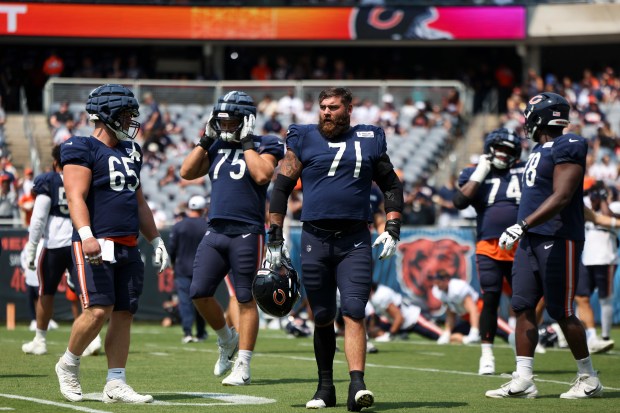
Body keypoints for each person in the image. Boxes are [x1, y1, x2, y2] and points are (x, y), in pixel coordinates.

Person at [265, 87, 404, 411]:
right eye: (323, 107)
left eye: (333, 107)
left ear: (349, 108)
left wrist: (393, 226)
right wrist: (274, 233)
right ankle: (325, 387)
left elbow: (391, 185)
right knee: (323, 315)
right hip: (315, 239)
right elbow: (281, 186)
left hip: (355, 238)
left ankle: (357, 384)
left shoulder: (370, 137)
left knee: (354, 310)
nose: (327, 112)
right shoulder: (303, 137)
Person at [56, 84, 170, 403]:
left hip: (128, 243)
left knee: (124, 312)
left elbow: (139, 201)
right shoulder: (81, 147)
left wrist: (156, 238)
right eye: (124, 114)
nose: (131, 120)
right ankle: (68, 364)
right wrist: (86, 234)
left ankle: (115, 381)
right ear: (106, 115)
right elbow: (76, 195)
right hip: (96, 241)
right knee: (98, 310)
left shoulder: (131, 150)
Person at [486, 92, 603, 399]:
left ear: (540, 117)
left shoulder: (569, 144)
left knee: (561, 310)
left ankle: (588, 377)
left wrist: (522, 224)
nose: (526, 120)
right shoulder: (539, 149)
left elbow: (563, 195)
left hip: (558, 236)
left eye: (529, 115)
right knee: (522, 306)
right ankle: (523, 379)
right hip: (531, 240)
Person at [179, 90, 284, 386]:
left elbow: (262, 175)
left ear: (247, 122)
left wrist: (248, 142)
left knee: (245, 298)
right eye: (221, 122)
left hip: (247, 231)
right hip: (215, 230)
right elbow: (186, 172)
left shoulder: (268, 142)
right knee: (198, 292)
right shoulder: (214, 146)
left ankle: (244, 364)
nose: (225, 127)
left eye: (231, 122)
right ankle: (227, 339)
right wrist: (204, 140)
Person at [453, 128, 524, 375]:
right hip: (489, 245)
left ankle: (523, 354)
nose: (503, 154)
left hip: (521, 244)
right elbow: (460, 202)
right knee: (491, 299)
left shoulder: (523, 170)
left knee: (524, 300)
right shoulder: (474, 173)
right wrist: (481, 172)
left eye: (508, 149)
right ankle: (487, 354)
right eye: (499, 148)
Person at [21, 145, 81, 356]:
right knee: (86, 294)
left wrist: (32, 248)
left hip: (54, 245)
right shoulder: (83, 177)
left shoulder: (49, 180)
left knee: (46, 293)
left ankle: (40, 339)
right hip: (78, 243)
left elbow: (38, 218)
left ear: (56, 162)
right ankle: (92, 339)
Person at [575, 182, 615, 353]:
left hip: (605, 259)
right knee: (581, 298)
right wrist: (592, 195)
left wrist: (604, 198)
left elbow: (608, 215)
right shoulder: (587, 210)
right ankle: (578, 334)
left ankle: (605, 335)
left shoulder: (612, 207)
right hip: (586, 259)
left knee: (605, 298)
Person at [168, 195, 209, 343]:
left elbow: (172, 249)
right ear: (203, 208)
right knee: (202, 301)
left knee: (185, 302)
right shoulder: (207, 226)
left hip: (183, 269)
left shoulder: (179, 225)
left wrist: (172, 264)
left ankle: (187, 332)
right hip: (203, 269)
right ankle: (200, 332)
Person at [369, 282, 443, 342]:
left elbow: (399, 317)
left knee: (443, 337)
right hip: (399, 323)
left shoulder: (380, 296)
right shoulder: (374, 296)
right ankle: (400, 334)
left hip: (414, 319)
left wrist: (390, 335)